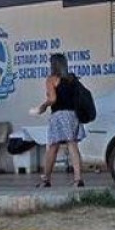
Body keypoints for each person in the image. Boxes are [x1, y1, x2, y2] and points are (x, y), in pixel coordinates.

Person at [33, 53, 85, 188]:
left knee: (52, 147)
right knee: (73, 145)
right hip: (73, 115)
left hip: (59, 115)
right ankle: (78, 179)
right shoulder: (72, 79)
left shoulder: (51, 79)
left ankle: (46, 179)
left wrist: (43, 106)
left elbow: (53, 99)